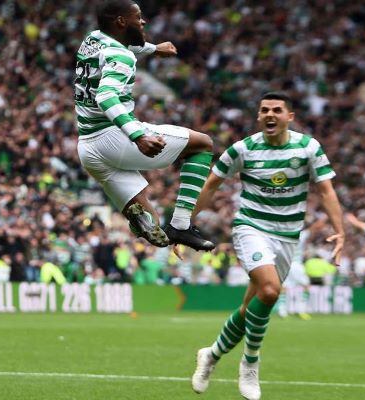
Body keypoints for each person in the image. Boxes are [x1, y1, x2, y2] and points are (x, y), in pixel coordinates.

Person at [190, 92, 345, 400]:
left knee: (252, 307)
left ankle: (212, 354)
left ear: (290, 116)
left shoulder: (308, 147)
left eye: (277, 109)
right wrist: (182, 225)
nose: (270, 114)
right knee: (271, 291)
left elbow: (326, 191)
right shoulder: (243, 149)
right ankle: (250, 363)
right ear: (258, 116)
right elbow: (211, 185)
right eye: (264, 110)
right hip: (251, 228)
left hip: (288, 236)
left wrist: (340, 231)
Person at [75, 0, 215, 251]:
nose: (143, 21)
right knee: (203, 144)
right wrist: (138, 135)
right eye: (138, 17)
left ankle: (142, 220)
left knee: (154, 224)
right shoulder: (122, 56)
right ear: (121, 21)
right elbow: (106, 96)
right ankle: (182, 225)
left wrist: (152, 49)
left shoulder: (92, 39)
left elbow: (120, 47)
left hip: (88, 149)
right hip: (116, 139)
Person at [276, 216, 328, 320]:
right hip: (296, 264)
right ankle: (301, 309)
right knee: (306, 286)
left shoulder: (281, 236)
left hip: (286, 265)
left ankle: (282, 310)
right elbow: (314, 227)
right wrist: (324, 217)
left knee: (284, 287)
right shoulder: (300, 235)